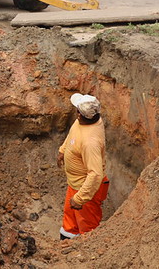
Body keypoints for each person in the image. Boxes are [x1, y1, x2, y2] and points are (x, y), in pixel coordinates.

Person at [57, 93, 109, 240]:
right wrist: (62, 150)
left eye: (77, 110)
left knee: (88, 227)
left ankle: (86, 257)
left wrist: (80, 198)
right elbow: (73, 133)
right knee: (70, 217)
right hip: (75, 183)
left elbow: (95, 175)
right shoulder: (86, 121)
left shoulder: (90, 142)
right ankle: (67, 243)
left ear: (80, 114)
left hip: (86, 189)